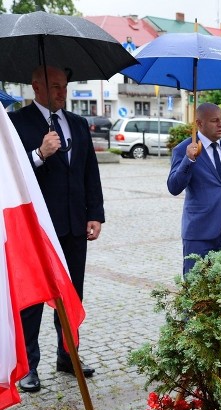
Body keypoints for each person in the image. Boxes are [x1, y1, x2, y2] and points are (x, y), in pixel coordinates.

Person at [9, 65, 105, 392]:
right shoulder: (16, 123)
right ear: (35, 87)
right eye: (54, 86)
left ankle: (68, 355)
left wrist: (96, 213)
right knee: (34, 297)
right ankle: (28, 367)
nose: (61, 92)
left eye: (63, 86)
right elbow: (9, 172)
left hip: (75, 225)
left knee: (71, 293)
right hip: (36, 227)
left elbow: (89, 172)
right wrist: (39, 154)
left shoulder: (77, 124)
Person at [167, 103, 221, 275]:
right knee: (195, 289)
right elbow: (173, 187)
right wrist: (189, 160)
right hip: (199, 233)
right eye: (215, 121)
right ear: (199, 124)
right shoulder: (183, 149)